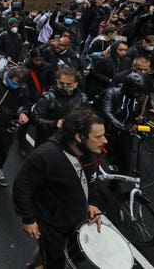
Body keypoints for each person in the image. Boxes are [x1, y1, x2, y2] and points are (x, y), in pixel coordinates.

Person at [13, 108, 106, 269]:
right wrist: (28, 219)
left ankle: (33, 266)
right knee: (55, 260)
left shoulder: (91, 152)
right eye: (98, 137)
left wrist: (93, 203)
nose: (104, 140)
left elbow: (92, 181)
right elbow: (22, 186)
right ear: (79, 137)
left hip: (74, 220)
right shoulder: (46, 156)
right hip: (52, 223)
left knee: (47, 251)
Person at [100, 72, 149, 175]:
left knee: (125, 163)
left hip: (126, 135)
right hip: (108, 132)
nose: (137, 94)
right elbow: (107, 113)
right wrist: (123, 127)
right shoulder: (112, 93)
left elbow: (145, 114)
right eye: (135, 91)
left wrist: (142, 119)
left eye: (139, 92)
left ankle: (115, 182)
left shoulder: (140, 97)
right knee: (101, 159)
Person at [31, 67, 89, 147]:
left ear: (75, 84)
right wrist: (54, 124)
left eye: (68, 84)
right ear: (57, 82)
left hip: (70, 142)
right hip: (47, 141)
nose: (64, 86)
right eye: (61, 83)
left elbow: (87, 119)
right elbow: (35, 118)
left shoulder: (83, 99)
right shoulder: (48, 98)